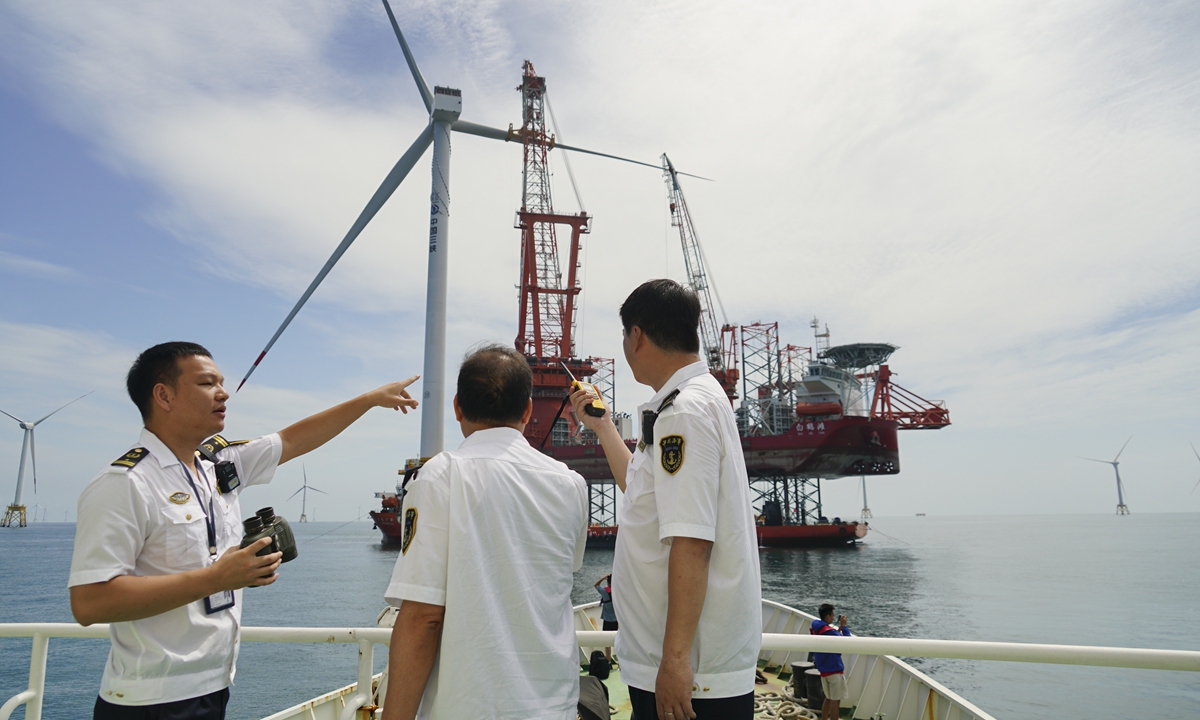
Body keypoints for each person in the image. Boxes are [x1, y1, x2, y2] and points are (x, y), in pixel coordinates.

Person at [68, 341, 418, 719]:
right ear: (163, 396)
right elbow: (90, 602)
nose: (223, 393)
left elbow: (294, 439)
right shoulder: (125, 483)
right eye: (207, 383)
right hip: (149, 701)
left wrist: (368, 400)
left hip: (215, 687)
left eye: (221, 382)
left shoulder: (217, 466)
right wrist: (215, 578)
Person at [570, 279, 762, 720]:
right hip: (676, 662)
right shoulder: (690, 402)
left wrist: (675, 661)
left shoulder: (683, 412)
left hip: (686, 671)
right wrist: (603, 429)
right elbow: (641, 492)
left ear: (636, 335)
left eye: (623, 336)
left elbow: (691, 540)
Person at [381, 343, 589, 720]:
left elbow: (423, 618)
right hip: (553, 706)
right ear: (528, 409)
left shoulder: (442, 476)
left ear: (457, 407)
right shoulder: (571, 484)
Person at [810, 604, 852, 720]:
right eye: (832, 616)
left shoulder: (816, 628)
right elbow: (848, 643)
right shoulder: (830, 632)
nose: (833, 618)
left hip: (823, 671)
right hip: (834, 671)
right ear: (827, 616)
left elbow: (831, 636)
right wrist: (844, 627)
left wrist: (837, 631)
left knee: (828, 698)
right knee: (835, 702)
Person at [594, 573, 617, 661]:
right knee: (618, 641)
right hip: (617, 621)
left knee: (607, 642)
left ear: (608, 583)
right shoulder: (618, 591)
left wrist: (603, 578)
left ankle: (608, 661)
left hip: (607, 620)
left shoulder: (604, 592)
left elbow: (596, 585)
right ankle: (621, 663)